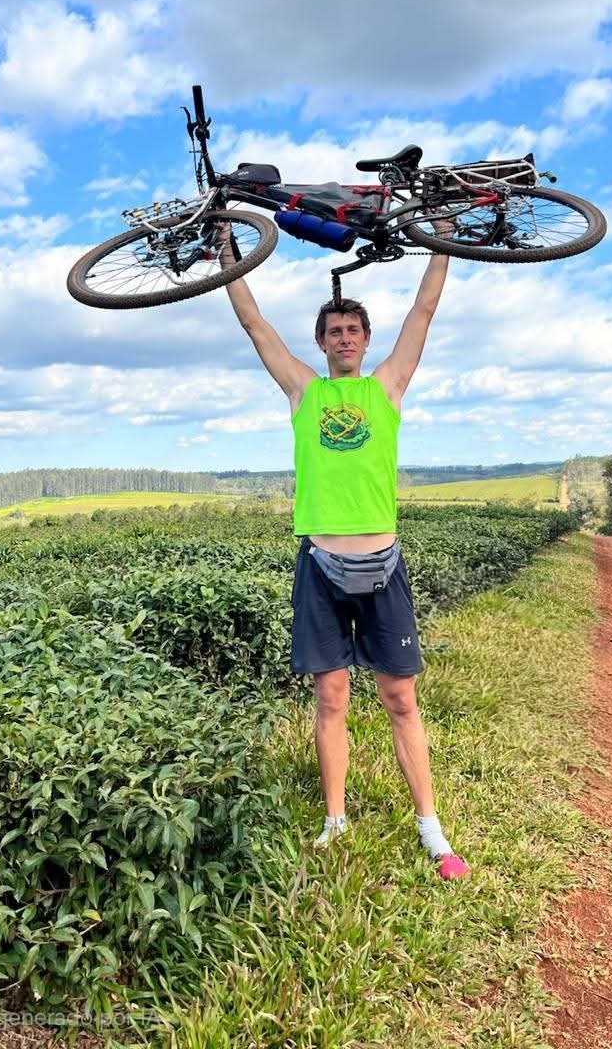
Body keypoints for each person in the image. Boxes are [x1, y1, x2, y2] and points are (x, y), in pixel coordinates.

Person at [220, 218, 469, 880]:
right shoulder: (305, 392)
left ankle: (431, 828)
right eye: (334, 332)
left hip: (384, 565)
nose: (344, 339)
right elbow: (254, 324)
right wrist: (226, 252)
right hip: (321, 566)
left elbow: (425, 308)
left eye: (353, 330)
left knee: (401, 699)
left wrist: (441, 240)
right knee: (330, 698)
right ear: (322, 343)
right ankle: (335, 819)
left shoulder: (387, 387)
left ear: (365, 339)